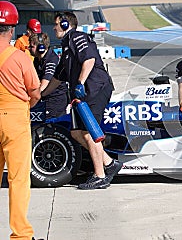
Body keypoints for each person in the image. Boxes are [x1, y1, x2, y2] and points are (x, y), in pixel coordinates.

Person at [42, 11, 122, 190]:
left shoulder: (77, 37)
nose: (54, 28)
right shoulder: (66, 45)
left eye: (56, 24)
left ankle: (100, 176)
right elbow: (58, 77)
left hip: (94, 88)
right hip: (82, 94)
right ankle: (110, 164)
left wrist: (80, 83)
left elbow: (90, 59)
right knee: (76, 132)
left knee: (89, 132)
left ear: (65, 24)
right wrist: (42, 94)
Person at [0, 1, 42, 240]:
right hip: (14, 117)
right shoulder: (20, 57)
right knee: (17, 178)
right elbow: (35, 92)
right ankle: (20, 235)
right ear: (13, 29)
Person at [28, 32, 68, 118]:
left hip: (55, 100)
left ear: (41, 48)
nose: (28, 48)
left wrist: (33, 96)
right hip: (45, 98)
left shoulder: (51, 60)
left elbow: (45, 83)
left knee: (49, 127)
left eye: (31, 46)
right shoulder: (37, 59)